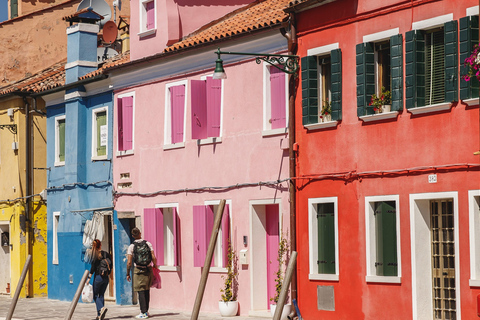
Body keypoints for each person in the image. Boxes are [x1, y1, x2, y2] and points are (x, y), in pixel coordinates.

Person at [127, 227, 157, 319]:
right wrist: (155, 266)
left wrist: (128, 273)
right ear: (140, 233)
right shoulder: (148, 244)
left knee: (140, 291)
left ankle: (143, 312)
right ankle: (146, 311)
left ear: (133, 236)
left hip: (138, 270)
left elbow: (129, 262)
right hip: (148, 269)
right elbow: (153, 256)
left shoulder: (132, 246)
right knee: (147, 290)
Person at [89, 239, 112, 320]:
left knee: (95, 295)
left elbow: (93, 268)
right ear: (101, 245)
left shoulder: (95, 255)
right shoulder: (106, 254)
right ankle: (99, 315)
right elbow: (111, 265)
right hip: (106, 277)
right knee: (101, 295)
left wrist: (89, 278)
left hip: (98, 277)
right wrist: (107, 273)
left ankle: (101, 308)